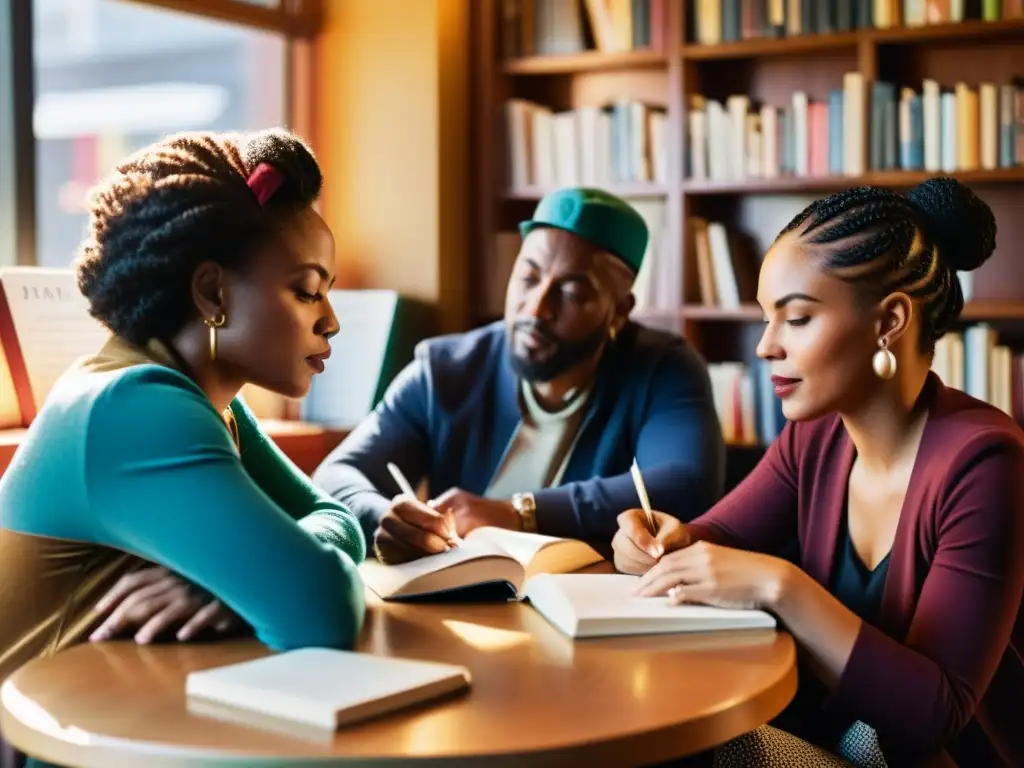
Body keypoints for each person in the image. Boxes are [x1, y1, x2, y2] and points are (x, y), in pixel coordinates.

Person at [613, 177, 1024, 767]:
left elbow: (936, 712)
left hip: (923, 759)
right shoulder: (816, 436)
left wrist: (779, 586)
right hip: (828, 735)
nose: (765, 347)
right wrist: (659, 541)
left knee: (693, 746)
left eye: (797, 319)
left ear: (889, 321)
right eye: (765, 319)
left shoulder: (985, 462)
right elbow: (716, 540)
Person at [0, 128, 367, 687]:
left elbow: (338, 521)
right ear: (213, 294)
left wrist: (232, 579)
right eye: (307, 290)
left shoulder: (202, 399)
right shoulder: (135, 408)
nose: (331, 320)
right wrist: (259, 576)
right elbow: (322, 608)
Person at [313, 187, 725, 563]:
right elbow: (335, 476)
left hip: (589, 610)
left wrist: (518, 513)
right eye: (528, 277)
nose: (535, 309)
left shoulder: (663, 368)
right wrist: (384, 516)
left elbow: (686, 482)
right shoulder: (446, 369)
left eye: (572, 293)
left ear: (618, 310)